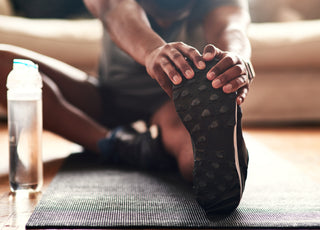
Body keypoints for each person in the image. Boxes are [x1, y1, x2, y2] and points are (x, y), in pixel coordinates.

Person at [0, 0, 255, 215]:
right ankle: (119, 144)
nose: (166, 23)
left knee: (193, 139)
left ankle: (222, 153)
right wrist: (153, 51)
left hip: (173, 105)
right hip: (107, 98)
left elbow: (230, 26)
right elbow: (115, 9)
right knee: (4, 64)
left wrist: (236, 59)